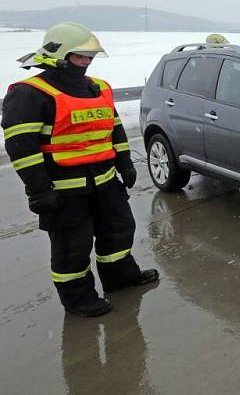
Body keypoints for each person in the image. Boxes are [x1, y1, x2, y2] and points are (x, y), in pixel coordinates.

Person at [1, 22, 159, 317]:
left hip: (105, 183)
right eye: (80, 57)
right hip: (64, 191)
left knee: (119, 231)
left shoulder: (98, 88)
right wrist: (38, 191)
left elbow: (114, 129)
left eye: (90, 57)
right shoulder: (30, 93)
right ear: (57, 56)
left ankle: (120, 278)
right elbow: (22, 149)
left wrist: (124, 163)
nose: (87, 63)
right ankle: (78, 299)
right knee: (73, 247)